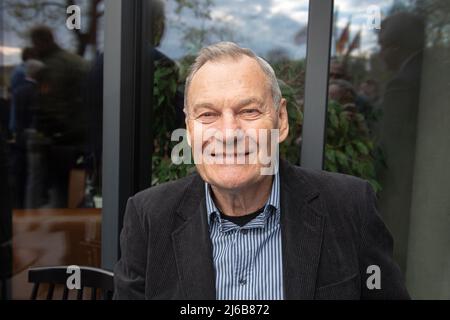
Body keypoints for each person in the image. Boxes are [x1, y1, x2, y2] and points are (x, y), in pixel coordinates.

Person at [114, 42, 409, 300]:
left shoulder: (350, 206)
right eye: (208, 114)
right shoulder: (149, 217)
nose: (229, 133)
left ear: (281, 120)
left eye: (249, 111)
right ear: (190, 129)